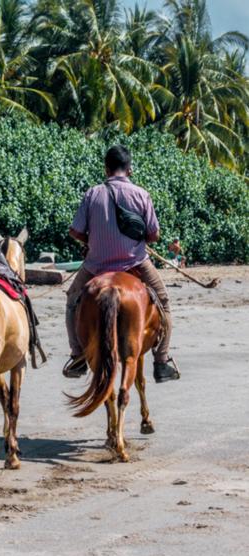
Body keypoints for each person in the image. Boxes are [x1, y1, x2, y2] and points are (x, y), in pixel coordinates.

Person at [63, 145, 180, 383]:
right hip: (135, 262)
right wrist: (137, 239)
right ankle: (161, 361)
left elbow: (75, 231)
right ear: (130, 169)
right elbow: (154, 234)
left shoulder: (92, 193)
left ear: (106, 169)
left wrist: (91, 240)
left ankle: (77, 357)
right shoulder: (141, 194)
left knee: (73, 299)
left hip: (97, 265)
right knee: (163, 300)